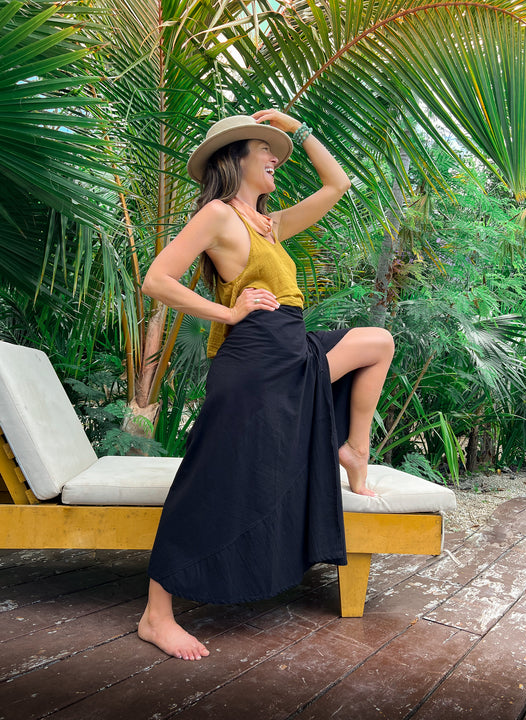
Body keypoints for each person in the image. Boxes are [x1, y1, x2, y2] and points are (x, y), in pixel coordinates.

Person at [137, 110, 394, 661]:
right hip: (253, 364)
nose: (276, 157)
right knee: (206, 482)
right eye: (264, 148)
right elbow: (156, 279)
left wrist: (297, 128)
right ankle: (155, 616)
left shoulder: (269, 225)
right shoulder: (217, 216)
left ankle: (352, 450)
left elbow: (338, 184)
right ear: (234, 160)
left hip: (292, 351)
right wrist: (224, 315)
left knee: (378, 343)